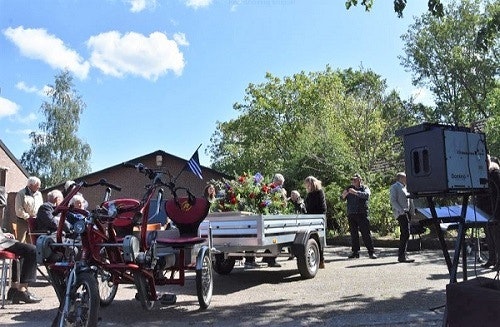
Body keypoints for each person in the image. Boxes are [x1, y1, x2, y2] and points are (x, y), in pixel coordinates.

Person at [0, 228, 42, 303]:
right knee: (32, 250)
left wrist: (3, 234)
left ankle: (14, 289)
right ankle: (22, 290)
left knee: (23, 251)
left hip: (3, 240)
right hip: (1, 243)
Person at [341, 173, 377, 259]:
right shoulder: (349, 188)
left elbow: (367, 196)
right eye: (352, 180)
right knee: (354, 234)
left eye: (355, 180)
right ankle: (355, 252)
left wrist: (356, 192)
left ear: (359, 180)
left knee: (366, 233)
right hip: (352, 214)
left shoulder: (364, 188)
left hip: (362, 213)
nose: (353, 181)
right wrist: (344, 195)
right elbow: (341, 198)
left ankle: (371, 252)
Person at [478, 155, 500, 270]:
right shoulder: (482, 174)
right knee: (489, 237)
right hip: (485, 211)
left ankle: (499, 263)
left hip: (495, 211)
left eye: (486, 161)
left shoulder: (495, 173)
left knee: (497, 238)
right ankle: (492, 260)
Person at [390, 172, 415, 263]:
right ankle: (402, 256)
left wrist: (412, 211)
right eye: (405, 177)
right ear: (400, 178)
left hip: (407, 212)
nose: (407, 179)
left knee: (406, 233)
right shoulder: (395, 187)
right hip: (401, 213)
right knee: (405, 233)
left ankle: (403, 254)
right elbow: (393, 200)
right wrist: (400, 210)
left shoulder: (406, 187)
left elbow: (410, 200)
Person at [304, 176, 327, 268]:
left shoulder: (319, 193)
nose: (307, 186)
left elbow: (323, 207)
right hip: (310, 218)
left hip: (318, 219)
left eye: (308, 184)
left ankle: (321, 260)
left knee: (319, 240)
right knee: (313, 240)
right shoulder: (309, 194)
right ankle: (319, 261)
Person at [14, 176, 43, 243]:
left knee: (32, 242)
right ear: (30, 185)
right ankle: (19, 253)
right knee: (21, 242)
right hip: (22, 221)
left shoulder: (39, 194)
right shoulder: (21, 193)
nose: (39, 187)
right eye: (37, 185)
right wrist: (28, 217)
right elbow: (18, 209)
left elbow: (41, 207)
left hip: (35, 221)